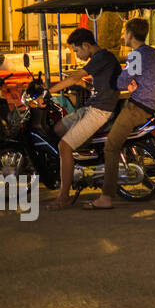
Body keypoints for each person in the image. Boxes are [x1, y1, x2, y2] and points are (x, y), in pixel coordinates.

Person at [86, 18, 155, 211]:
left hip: (137, 107)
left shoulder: (136, 55)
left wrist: (123, 80)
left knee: (111, 146)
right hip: (151, 104)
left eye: (124, 31)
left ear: (130, 34)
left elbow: (122, 83)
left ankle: (106, 197)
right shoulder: (152, 52)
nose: (123, 35)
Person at [48, 28, 121, 210]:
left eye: (77, 50)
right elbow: (100, 85)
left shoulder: (101, 57)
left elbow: (74, 78)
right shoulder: (100, 59)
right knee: (57, 129)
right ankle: (72, 166)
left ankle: (63, 197)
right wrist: (86, 84)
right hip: (90, 106)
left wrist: (47, 92)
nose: (77, 54)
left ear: (86, 45)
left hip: (99, 111)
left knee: (64, 146)